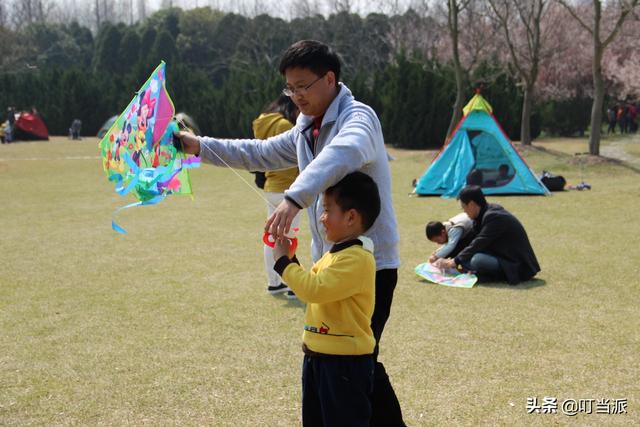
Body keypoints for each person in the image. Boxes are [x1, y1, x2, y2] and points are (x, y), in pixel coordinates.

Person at [175, 40, 404, 426]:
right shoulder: (304, 129)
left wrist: (294, 198)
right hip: (329, 263)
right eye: (290, 88)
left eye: (303, 85)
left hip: (370, 266)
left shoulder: (358, 118)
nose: (296, 96)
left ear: (329, 79)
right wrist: (197, 145)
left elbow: (343, 153)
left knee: (354, 363)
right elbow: (257, 152)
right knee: (355, 362)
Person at [272, 171, 379, 426]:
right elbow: (312, 286)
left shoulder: (357, 259)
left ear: (351, 217)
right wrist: (293, 260)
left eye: (328, 210)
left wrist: (283, 263)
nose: (322, 217)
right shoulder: (333, 255)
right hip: (319, 358)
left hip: (344, 366)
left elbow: (314, 289)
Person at [435, 185, 540, 285]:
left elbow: (479, 242)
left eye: (464, 207)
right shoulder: (482, 215)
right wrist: (446, 257)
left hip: (517, 266)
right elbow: (469, 240)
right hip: (501, 257)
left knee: (477, 259)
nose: (464, 211)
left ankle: (488, 276)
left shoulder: (494, 217)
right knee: (468, 258)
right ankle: (474, 271)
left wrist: (455, 261)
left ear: (471, 204)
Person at [252, 94, 301, 298]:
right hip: (288, 190)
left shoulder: (261, 123)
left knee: (272, 236)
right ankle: (292, 286)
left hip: (270, 187)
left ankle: (274, 283)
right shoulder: (286, 126)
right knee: (289, 238)